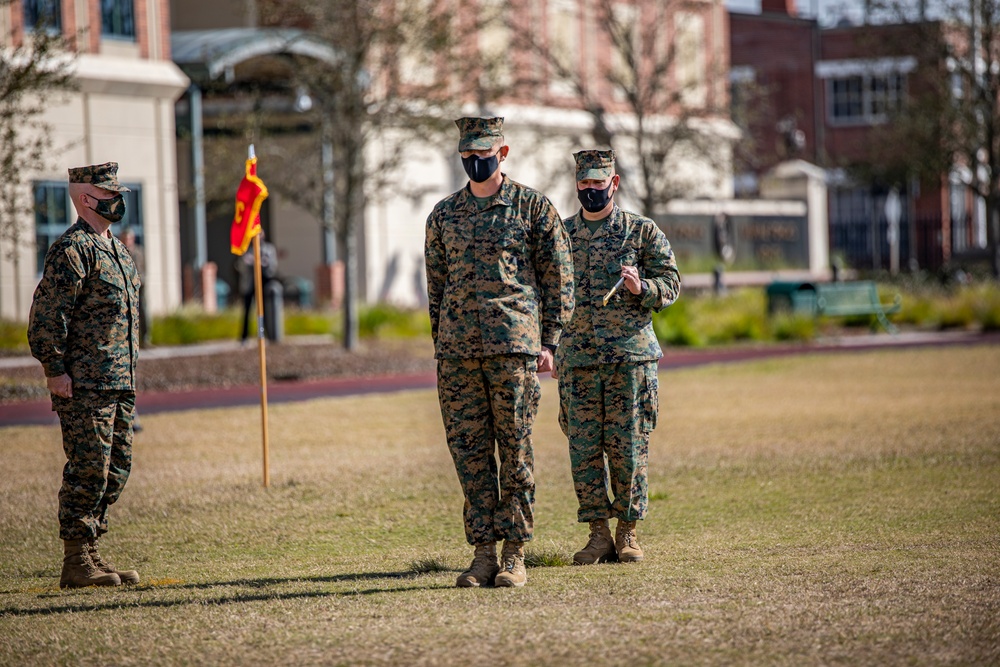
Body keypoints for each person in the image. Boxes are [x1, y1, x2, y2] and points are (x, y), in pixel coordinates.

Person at [425, 117, 574, 588]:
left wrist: (549, 343)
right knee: (469, 454)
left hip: (514, 350)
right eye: (466, 154)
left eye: (483, 152)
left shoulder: (532, 209)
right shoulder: (444, 215)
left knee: (514, 450)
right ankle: (483, 553)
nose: (474, 161)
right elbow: (436, 287)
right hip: (457, 356)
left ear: (502, 153)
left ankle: (515, 552)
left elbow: (560, 280)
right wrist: (443, 345)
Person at [554, 149, 680, 565]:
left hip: (630, 359)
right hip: (578, 362)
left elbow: (672, 282)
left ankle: (628, 533)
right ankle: (598, 535)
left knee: (628, 448)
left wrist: (642, 287)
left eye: (598, 182)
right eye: (584, 183)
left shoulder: (640, 232)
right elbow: (546, 291)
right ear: (577, 184)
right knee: (584, 451)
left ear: (615, 182)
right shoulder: (561, 235)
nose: (591, 190)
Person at [28, 162, 142, 589]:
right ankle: (76, 560)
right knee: (88, 469)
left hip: (119, 382)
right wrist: (54, 370)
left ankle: (92, 551)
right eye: (111, 194)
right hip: (85, 384)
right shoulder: (72, 250)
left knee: (116, 469)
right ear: (86, 198)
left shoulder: (116, 250)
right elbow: (46, 317)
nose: (120, 201)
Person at [238, 231, 278, 343]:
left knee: (263, 311)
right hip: (250, 285)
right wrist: (250, 262)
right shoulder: (247, 249)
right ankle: (244, 337)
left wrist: (260, 262)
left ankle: (262, 335)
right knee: (247, 311)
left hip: (263, 284)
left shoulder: (269, 249)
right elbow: (241, 266)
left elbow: (272, 267)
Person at [119, 227, 150, 348]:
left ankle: (145, 338)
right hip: (125, 288)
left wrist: (139, 281)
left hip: (139, 286)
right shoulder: (119, 252)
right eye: (124, 238)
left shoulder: (139, 252)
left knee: (143, 311)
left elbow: (143, 269)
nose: (127, 241)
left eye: (128, 238)